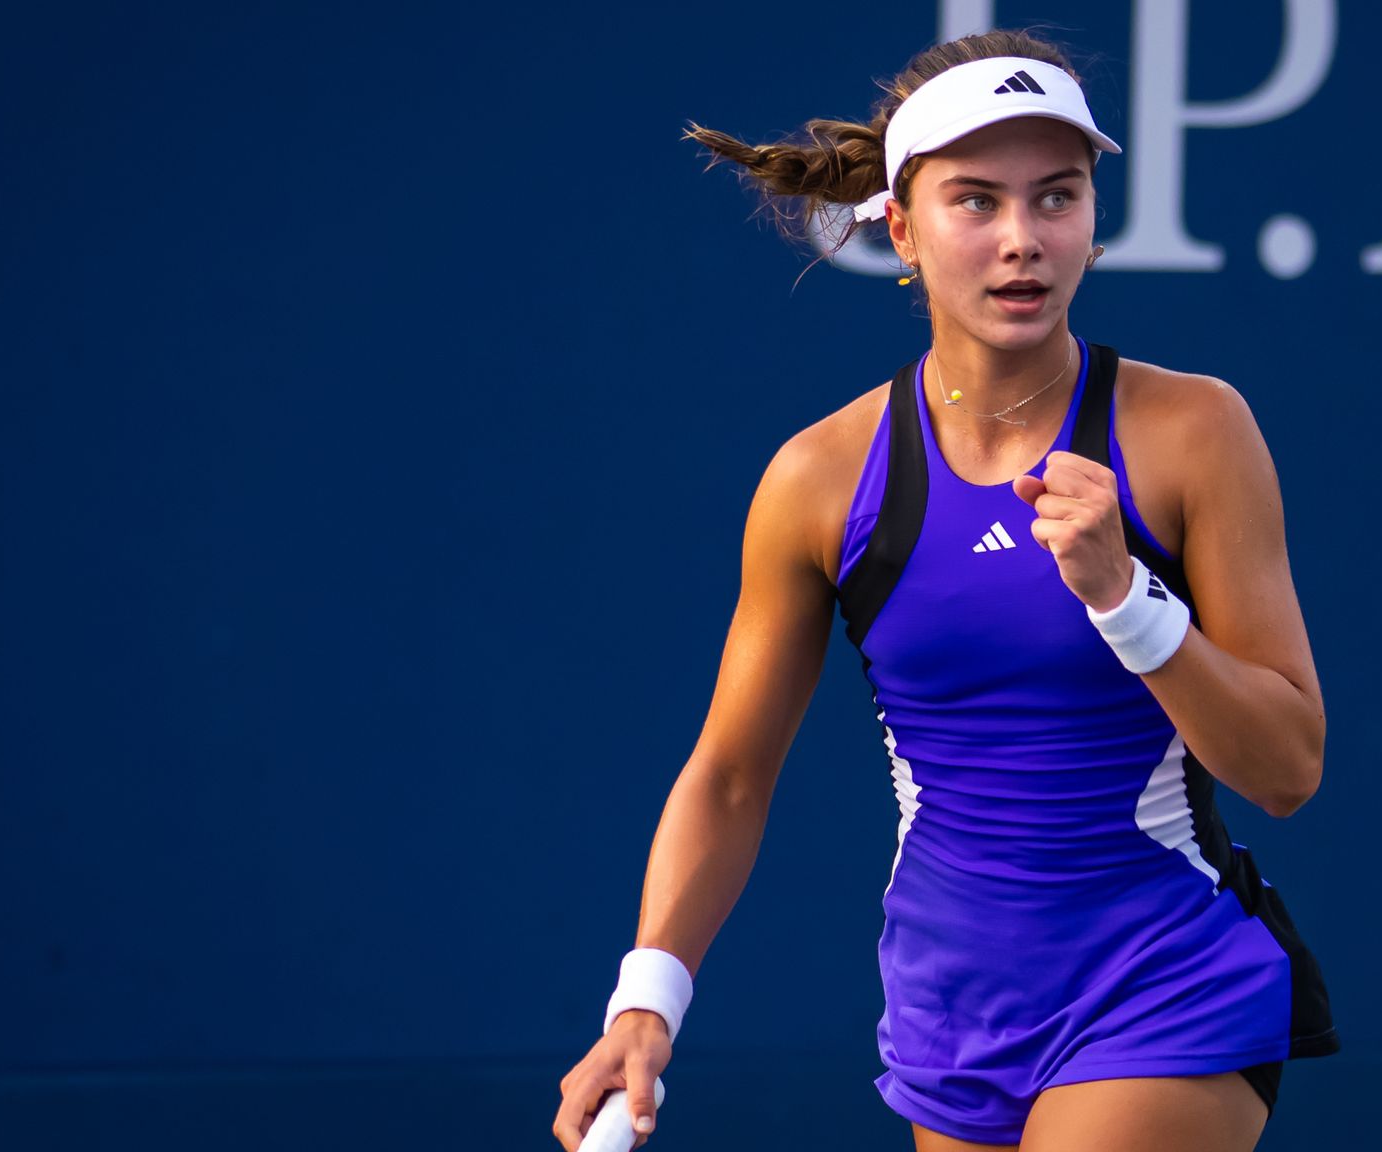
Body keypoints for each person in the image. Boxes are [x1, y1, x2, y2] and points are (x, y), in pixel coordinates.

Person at [552, 28, 1338, 1152]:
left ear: (1091, 220)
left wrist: (1128, 600)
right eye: (975, 202)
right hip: (950, 1015)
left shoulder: (1193, 433)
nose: (1021, 241)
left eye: (1054, 197)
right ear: (902, 230)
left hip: (1167, 982)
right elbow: (728, 775)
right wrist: (645, 1002)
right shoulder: (819, 480)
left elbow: (1286, 769)